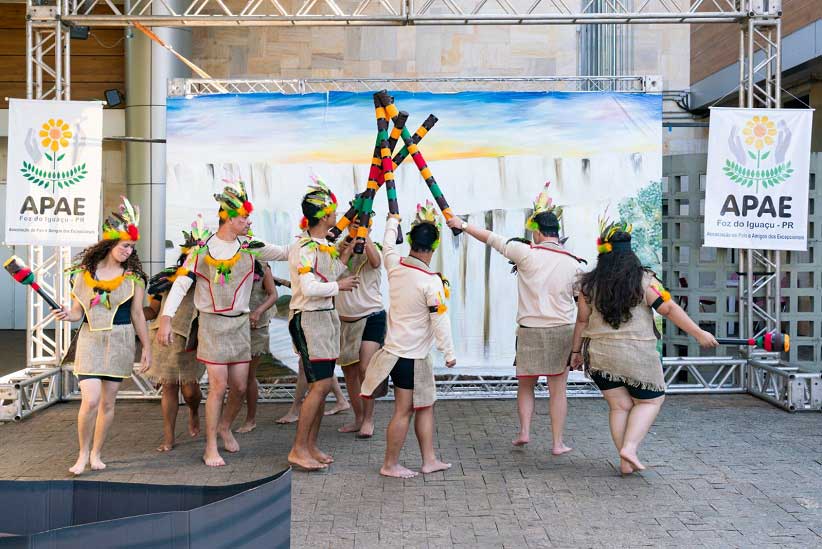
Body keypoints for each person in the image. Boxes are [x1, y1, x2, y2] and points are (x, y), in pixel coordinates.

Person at [570, 217, 718, 474]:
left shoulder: (587, 284)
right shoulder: (645, 280)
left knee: (619, 406)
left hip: (600, 354)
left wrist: (575, 353)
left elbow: (582, 320)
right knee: (650, 401)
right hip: (637, 354)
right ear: (630, 253)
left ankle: (625, 463)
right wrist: (698, 333)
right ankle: (629, 448)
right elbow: (668, 309)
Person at [157, 180, 289, 467]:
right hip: (212, 325)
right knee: (218, 386)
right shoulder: (202, 249)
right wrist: (166, 318)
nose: (248, 221)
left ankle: (224, 425)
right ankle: (210, 447)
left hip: (240, 325)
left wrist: (317, 243)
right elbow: (180, 285)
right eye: (243, 217)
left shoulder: (251, 246)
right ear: (228, 217)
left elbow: (284, 252)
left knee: (240, 386)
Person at [447, 182, 584, 454]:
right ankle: (557, 443)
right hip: (562, 331)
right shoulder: (575, 263)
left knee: (526, 385)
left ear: (536, 232)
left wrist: (462, 225)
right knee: (558, 390)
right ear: (557, 233)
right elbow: (582, 307)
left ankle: (524, 431)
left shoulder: (525, 253)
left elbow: (491, 238)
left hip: (530, 330)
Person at [55, 197, 151, 475]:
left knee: (108, 402)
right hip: (90, 340)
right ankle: (82, 453)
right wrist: (66, 313)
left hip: (121, 340)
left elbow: (137, 315)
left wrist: (146, 348)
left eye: (131, 246)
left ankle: (97, 453)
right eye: (124, 245)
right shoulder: (84, 275)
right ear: (110, 244)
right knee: (91, 399)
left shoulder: (134, 278)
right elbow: (77, 312)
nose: (128, 250)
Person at [360, 202, 455, 479]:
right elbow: (440, 320)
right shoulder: (431, 282)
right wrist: (448, 352)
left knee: (425, 405)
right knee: (404, 411)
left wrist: (392, 221)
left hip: (399, 353)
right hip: (411, 357)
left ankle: (429, 459)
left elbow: (388, 244)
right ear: (434, 246)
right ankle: (390, 464)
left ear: (411, 241)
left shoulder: (395, 265)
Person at [286, 177, 359, 470]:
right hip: (309, 319)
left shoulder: (322, 245)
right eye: (334, 211)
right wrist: (339, 287)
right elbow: (309, 288)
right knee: (318, 387)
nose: (336, 215)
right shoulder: (304, 248)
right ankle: (297, 449)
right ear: (324, 214)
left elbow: (331, 272)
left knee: (324, 385)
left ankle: (311, 445)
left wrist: (348, 250)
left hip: (325, 318)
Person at [143, 218, 208, 451]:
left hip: (193, 339)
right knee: (169, 386)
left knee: (190, 391)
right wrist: (132, 313)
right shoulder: (167, 278)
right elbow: (153, 309)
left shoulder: (206, 280)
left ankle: (193, 410)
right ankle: (169, 437)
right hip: (164, 339)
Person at [335, 215, 385, 438]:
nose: (357, 225)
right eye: (354, 222)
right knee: (349, 372)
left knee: (365, 369)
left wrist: (365, 235)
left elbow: (375, 262)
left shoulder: (375, 248)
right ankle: (357, 417)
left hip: (371, 316)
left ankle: (369, 420)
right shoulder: (340, 246)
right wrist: (350, 241)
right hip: (345, 319)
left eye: (361, 222)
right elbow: (334, 269)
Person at [236, 260, 278, 433]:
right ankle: (226, 419)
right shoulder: (225, 263)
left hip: (255, 327)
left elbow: (273, 294)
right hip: (231, 327)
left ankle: (250, 419)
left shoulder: (262, 265)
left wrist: (258, 311)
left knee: (248, 376)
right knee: (232, 378)